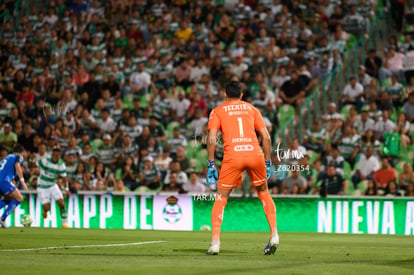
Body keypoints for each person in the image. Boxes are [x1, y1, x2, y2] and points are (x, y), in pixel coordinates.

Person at [205, 81, 279, 255]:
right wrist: (267, 162)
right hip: (255, 154)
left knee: (221, 197)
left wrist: (210, 163)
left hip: (233, 156)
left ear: (224, 94)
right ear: (241, 95)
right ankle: (274, 234)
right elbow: (266, 138)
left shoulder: (218, 111)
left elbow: (211, 138)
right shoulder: (252, 109)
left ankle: (215, 242)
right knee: (263, 192)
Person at [36, 146, 69, 228]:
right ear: (52, 155)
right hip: (42, 187)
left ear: (60, 156)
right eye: (54, 155)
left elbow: (64, 178)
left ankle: (65, 223)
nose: (55, 157)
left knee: (61, 203)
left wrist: (67, 188)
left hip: (52, 185)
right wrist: (31, 160)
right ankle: (45, 210)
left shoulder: (61, 165)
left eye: (57, 155)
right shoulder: (45, 161)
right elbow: (33, 164)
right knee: (47, 208)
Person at [0, 145, 29, 228]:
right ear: (22, 152)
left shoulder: (7, 157)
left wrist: (11, 180)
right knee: (19, 198)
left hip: (2, 180)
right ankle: (2, 218)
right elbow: (17, 165)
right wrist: (22, 181)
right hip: (3, 181)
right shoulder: (18, 156)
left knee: (9, 198)